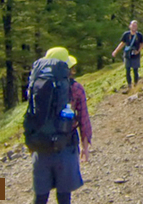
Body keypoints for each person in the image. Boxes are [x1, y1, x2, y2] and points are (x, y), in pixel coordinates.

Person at [31, 47, 91, 204]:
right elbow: (83, 118)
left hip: (41, 146)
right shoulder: (76, 88)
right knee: (64, 196)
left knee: (40, 197)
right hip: (66, 145)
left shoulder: (37, 85)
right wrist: (85, 146)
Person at [111, 20, 143, 88]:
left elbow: (142, 44)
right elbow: (122, 43)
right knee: (127, 70)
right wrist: (116, 51)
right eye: (133, 25)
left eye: (135, 26)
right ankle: (129, 85)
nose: (134, 27)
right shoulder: (126, 34)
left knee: (135, 70)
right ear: (130, 26)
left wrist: (138, 51)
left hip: (135, 55)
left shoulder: (139, 35)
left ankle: (136, 84)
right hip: (127, 54)